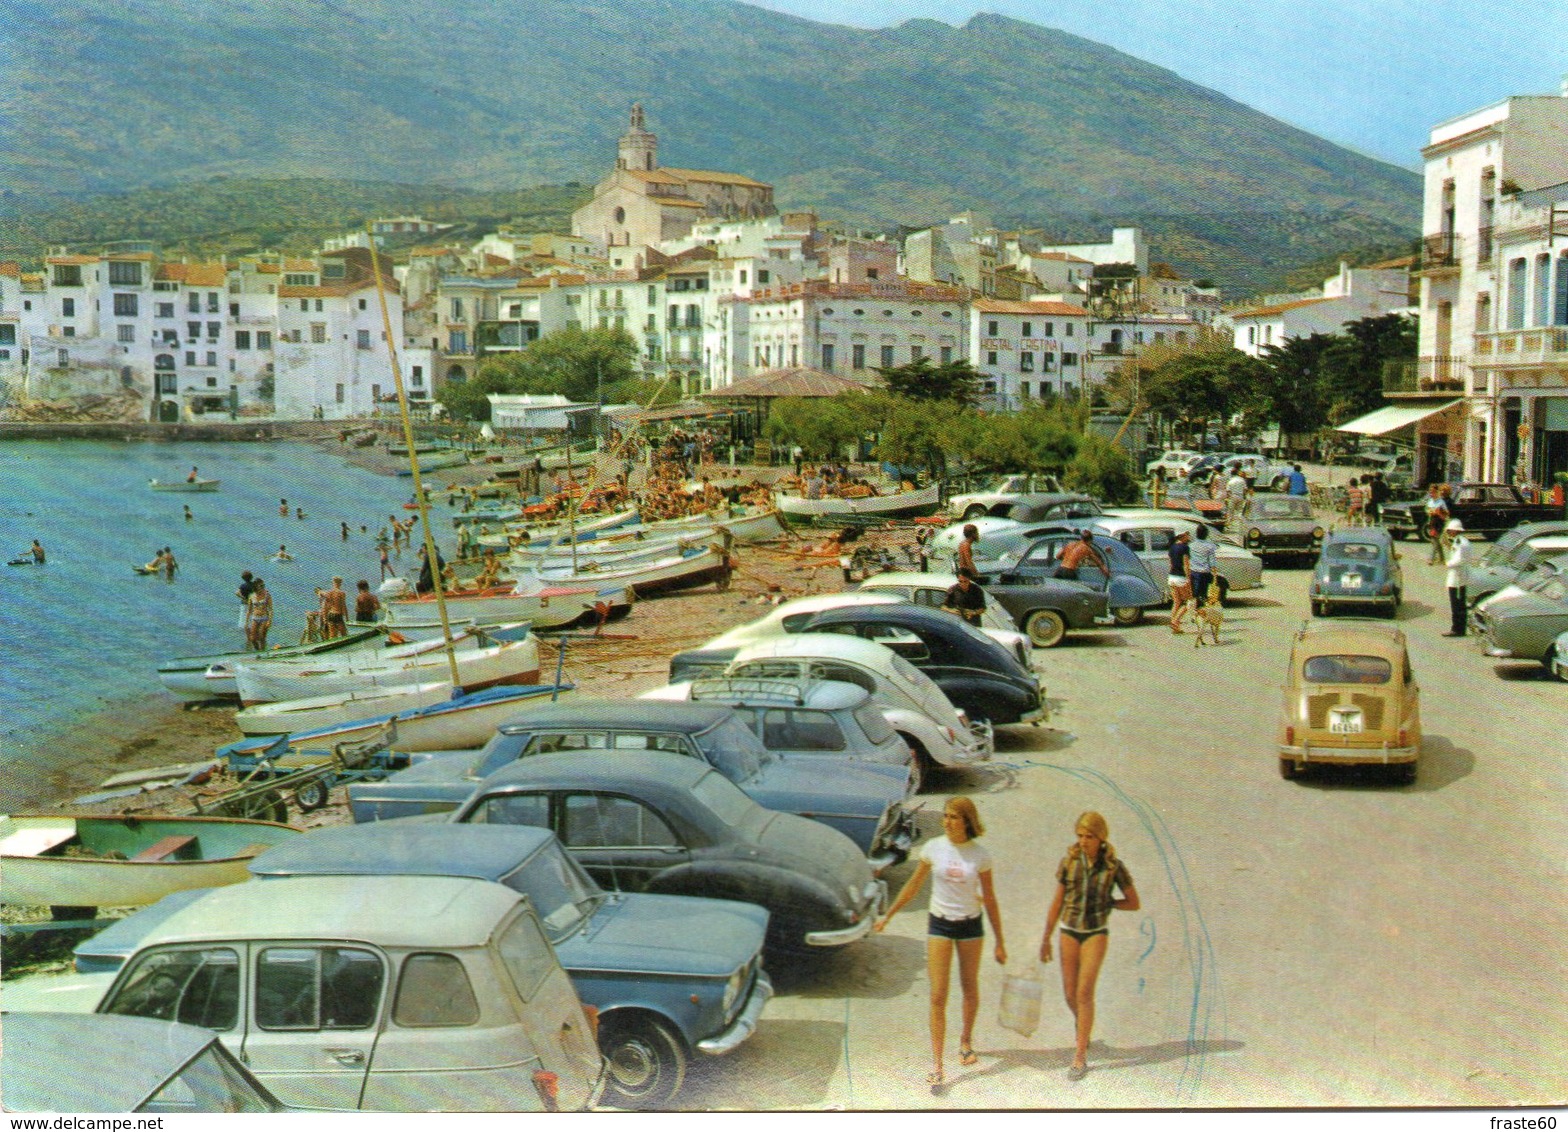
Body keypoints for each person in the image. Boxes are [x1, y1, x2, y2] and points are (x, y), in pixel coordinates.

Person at [874, 797, 1006, 1091]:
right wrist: (888, 916)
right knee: (938, 995)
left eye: (954, 817)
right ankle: (937, 1064)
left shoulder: (980, 855)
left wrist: (1000, 941)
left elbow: (991, 898)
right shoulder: (933, 849)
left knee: (970, 987)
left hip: (971, 925)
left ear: (967, 822)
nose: (946, 822)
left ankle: (966, 1041)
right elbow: (913, 886)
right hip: (940, 924)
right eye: (945, 816)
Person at [1039, 810, 1140, 1082]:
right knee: (1070, 994)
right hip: (1068, 932)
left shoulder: (1113, 867)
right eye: (1080, 836)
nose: (1083, 841)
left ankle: (1080, 1055)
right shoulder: (1069, 862)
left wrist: (1110, 903)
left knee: (1084, 993)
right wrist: (1046, 937)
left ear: (1101, 837)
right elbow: (1057, 902)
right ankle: (1083, 1025)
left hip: (1096, 933)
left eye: (1089, 836)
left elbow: (1133, 902)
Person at [1443, 519, 1475, 637]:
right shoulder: (1459, 541)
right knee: (1458, 604)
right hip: (1457, 576)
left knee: (1457, 604)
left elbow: (1460, 560)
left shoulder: (1461, 543)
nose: (1449, 532)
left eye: (1450, 530)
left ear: (1455, 531)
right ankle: (1458, 628)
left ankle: (1457, 628)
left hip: (1458, 577)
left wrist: (1447, 563)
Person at [1167, 528, 1193, 633]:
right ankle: (1175, 621)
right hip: (1181, 577)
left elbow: (1171, 564)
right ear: (1182, 535)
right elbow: (1186, 564)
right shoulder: (1185, 548)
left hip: (1172, 577)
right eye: (1187, 534)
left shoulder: (1172, 547)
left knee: (1176, 602)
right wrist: (1189, 579)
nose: (1188, 536)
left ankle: (1174, 626)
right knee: (1188, 602)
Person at [1188, 522, 1218, 606]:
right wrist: (1215, 575)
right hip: (1204, 573)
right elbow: (1212, 562)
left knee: (1194, 595)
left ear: (1197, 534)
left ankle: (1195, 614)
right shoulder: (1210, 546)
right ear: (1206, 534)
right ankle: (1202, 614)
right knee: (1203, 595)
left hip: (1193, 572)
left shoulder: (1191, 545)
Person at [1423, 484, 1450, 565]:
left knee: (1435, 540)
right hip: (1432, 521)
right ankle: (1442, 559)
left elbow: (1447, 513)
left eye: (1433, 492)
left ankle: (1432, 559)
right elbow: (1427, 509)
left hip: (1439, 522)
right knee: (1435, 540)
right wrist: (1429, 511)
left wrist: (1439, 512)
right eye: (1430, 492)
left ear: (1437, 492)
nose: (1431, 494)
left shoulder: (1441, 502)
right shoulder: (1430, 501)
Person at [246, 578, 273, 650]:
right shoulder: (251, 596)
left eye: (263, 585)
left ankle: (263, 652)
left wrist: (269, 621)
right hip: (255, 618)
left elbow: (270, 609)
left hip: (264, 617)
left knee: (261, 637)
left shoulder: (267, 595)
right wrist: (246, 622)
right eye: (260, 586)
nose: (262, 587)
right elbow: (249, 610)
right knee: (252, 639)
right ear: (255, 586)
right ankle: (258, 651)